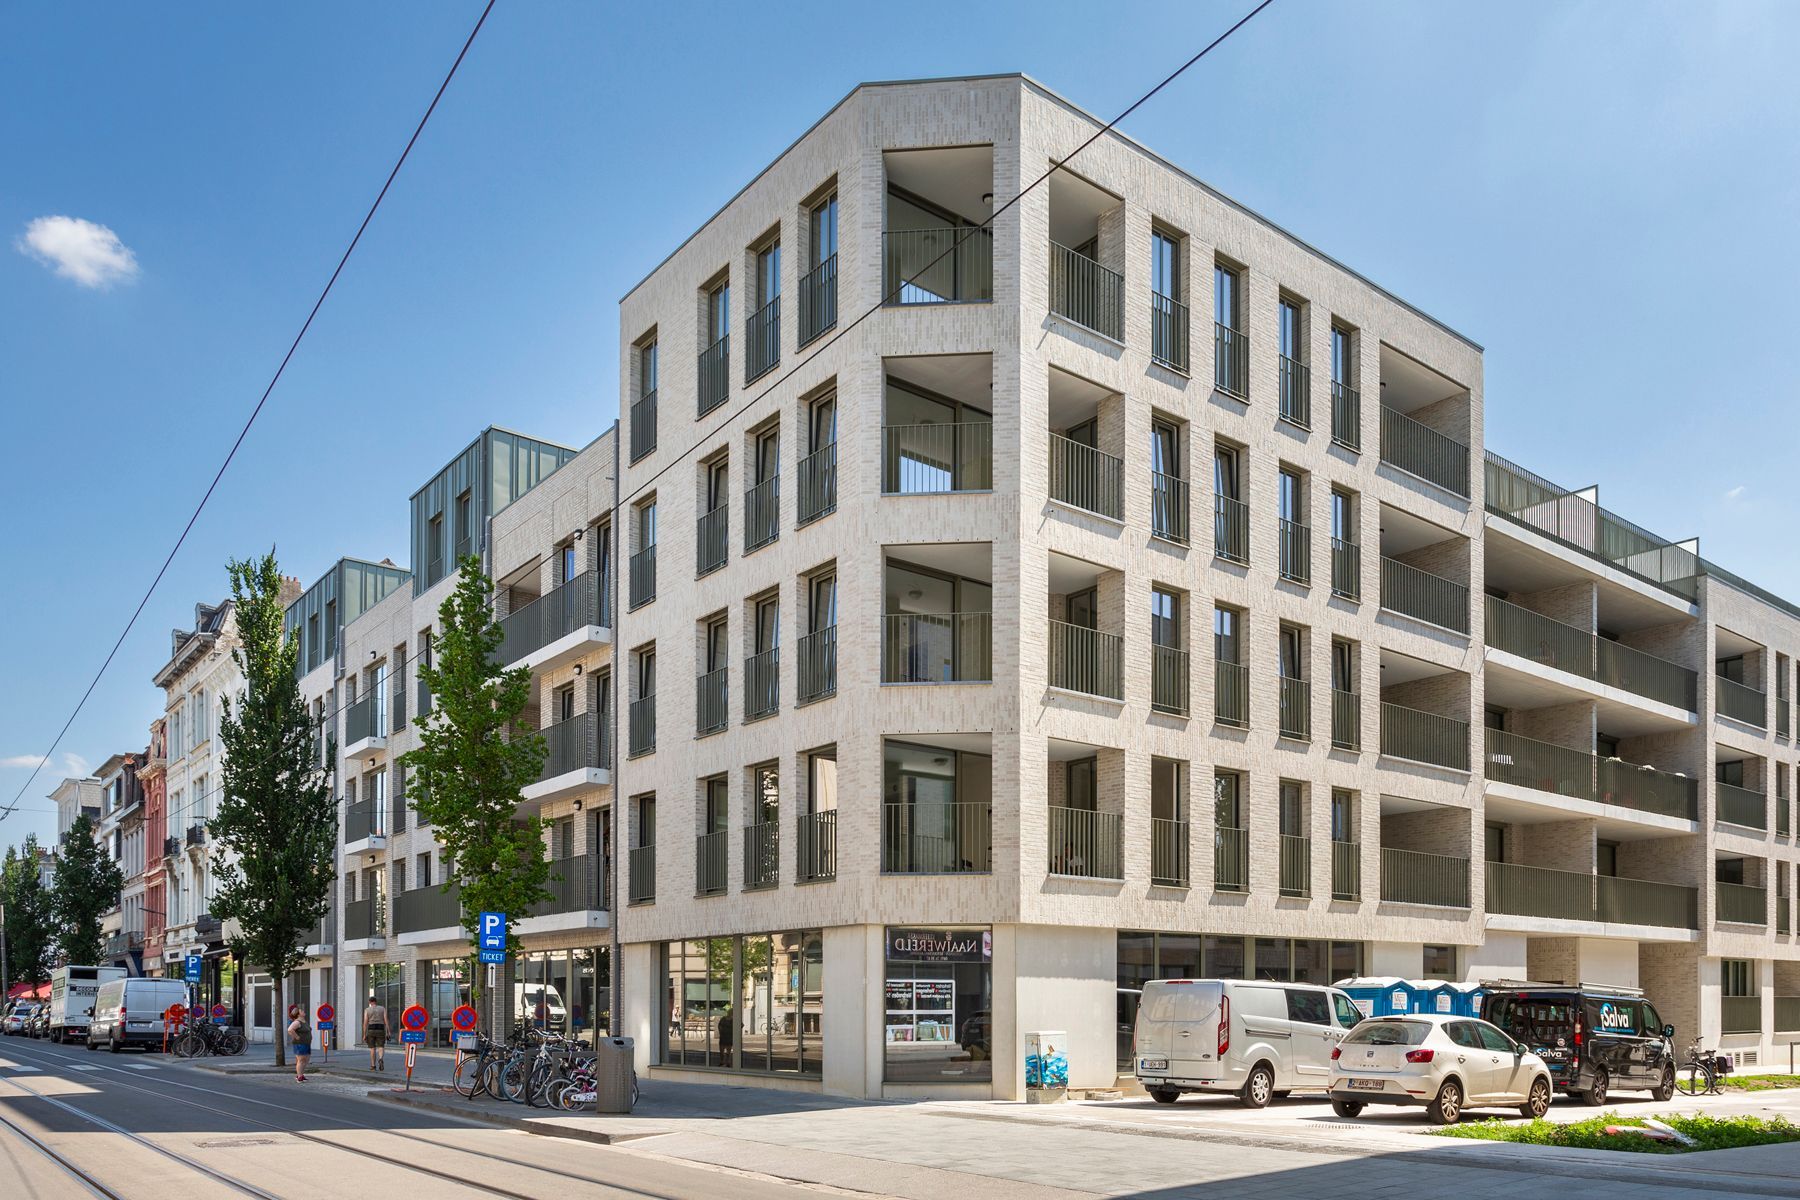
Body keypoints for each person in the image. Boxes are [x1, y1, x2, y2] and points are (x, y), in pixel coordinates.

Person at [363, 992, 388, 1072]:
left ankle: (373, 1066)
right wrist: (388, 1031)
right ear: (376, 1002)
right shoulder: (382, 1008)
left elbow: (365, 1022)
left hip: (371, 1029)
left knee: (372, 1048)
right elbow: (386, 1020)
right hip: (380, 1029)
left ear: (370, 1002)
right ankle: (380, 1059)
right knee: (381, 1046)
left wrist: (364, 1034)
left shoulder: (367, 1010)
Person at [287, 1005, 312, 1082]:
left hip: (306, 1043)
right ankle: (299, 1077)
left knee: (306, 1060)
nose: (303, 1011)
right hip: (300, 1044)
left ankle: (300, 1074)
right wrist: (297, 1037)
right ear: (298, 1014)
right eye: (301, 1011)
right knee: (301, 1060)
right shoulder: (297, 1022)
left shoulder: (304, 1021)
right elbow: (290, 1030)